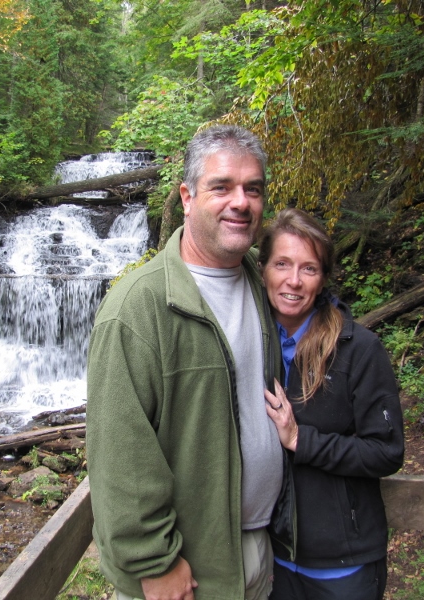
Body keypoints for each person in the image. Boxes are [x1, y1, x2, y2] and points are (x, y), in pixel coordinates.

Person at [86, 125, 285, 600]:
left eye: (252, 189)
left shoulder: (265, 281)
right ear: (188, 196)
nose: (241, 201)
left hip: (263, 548)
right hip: (187, 570)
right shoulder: (137, 308)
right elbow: (119, 451)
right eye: (222, 186)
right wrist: (153, 562)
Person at [259, 208, 405, 600]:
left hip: (344, 565)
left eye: (309, 268)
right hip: (270, 558)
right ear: (262, 270)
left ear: (323, 278)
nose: (294, 280)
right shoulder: (251, 347)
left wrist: (301, 440)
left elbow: (386, 451)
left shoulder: (359, 350)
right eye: (282, 264)